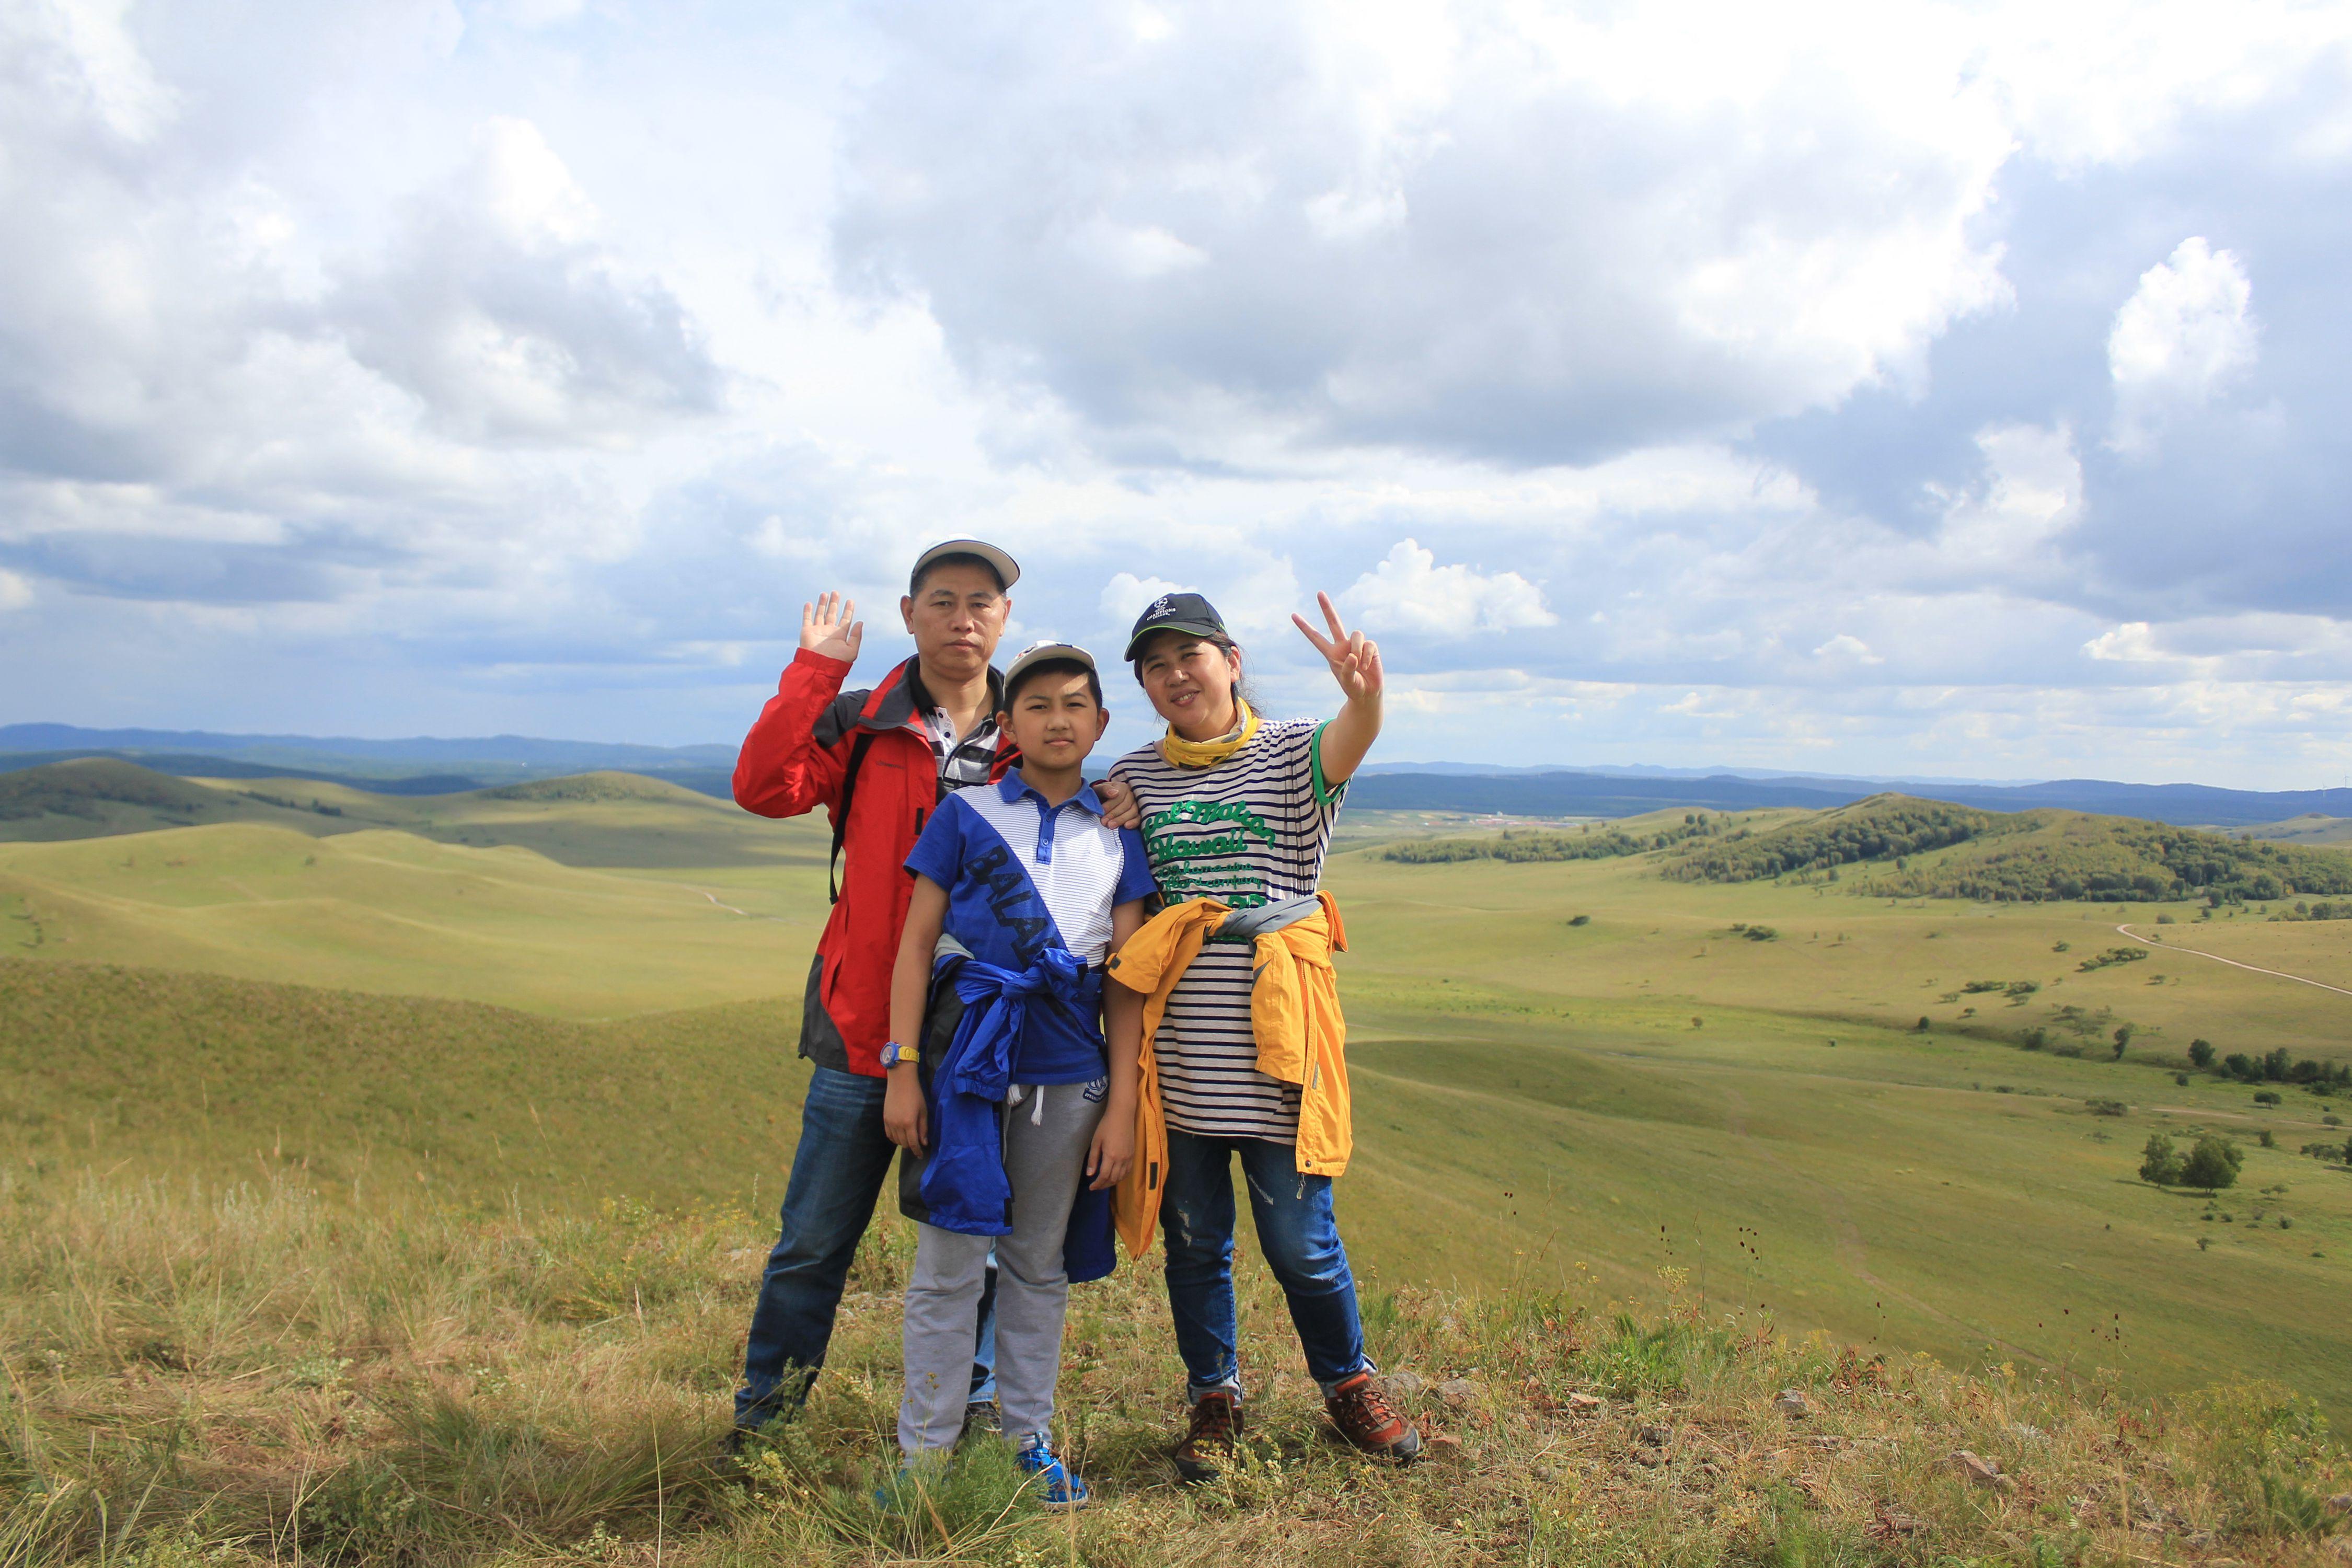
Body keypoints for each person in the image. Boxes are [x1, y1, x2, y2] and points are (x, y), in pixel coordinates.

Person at [728, 541, 1138, 1438]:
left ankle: (978, 1416)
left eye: (982, 603)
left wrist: (1117, 799)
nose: (963, 619)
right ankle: (764, 1425)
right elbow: (762, 788)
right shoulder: (860, 722)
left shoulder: (1030, 728)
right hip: (863, 1021)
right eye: (943, 601)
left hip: (997, 1045)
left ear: (1003, 621)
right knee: (813, 1243)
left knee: (984, 1240)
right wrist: (812, 673)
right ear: (910, 615)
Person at [1104, 589, 1420, 1482]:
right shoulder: (1136, 774)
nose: (1175, 675)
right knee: (1196, 1240)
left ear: (1231, 660)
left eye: (1190, 656)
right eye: (1155, 665)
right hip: (1182, 1053)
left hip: (1281, 1047)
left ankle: (1349, 1385)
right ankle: (1215, 1397)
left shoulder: (1289, 753)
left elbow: (1350, 741)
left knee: (1301, 1243)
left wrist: (1365, 698)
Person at [878, 641, 1152, 1508]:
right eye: (1037, 705)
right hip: (966, 1073)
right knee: (948, 1262)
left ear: (1100, 723)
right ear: (1009, 723)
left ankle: (1024, 1442)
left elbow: (1128, 980)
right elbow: (915, 946)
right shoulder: (964, 815)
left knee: (1037, 1267)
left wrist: (1124, 1109)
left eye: (1075, 704)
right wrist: (903, 1068)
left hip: (1071, 1080)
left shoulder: (1121, 831)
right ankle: (923, 1454)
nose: (1057, 719)